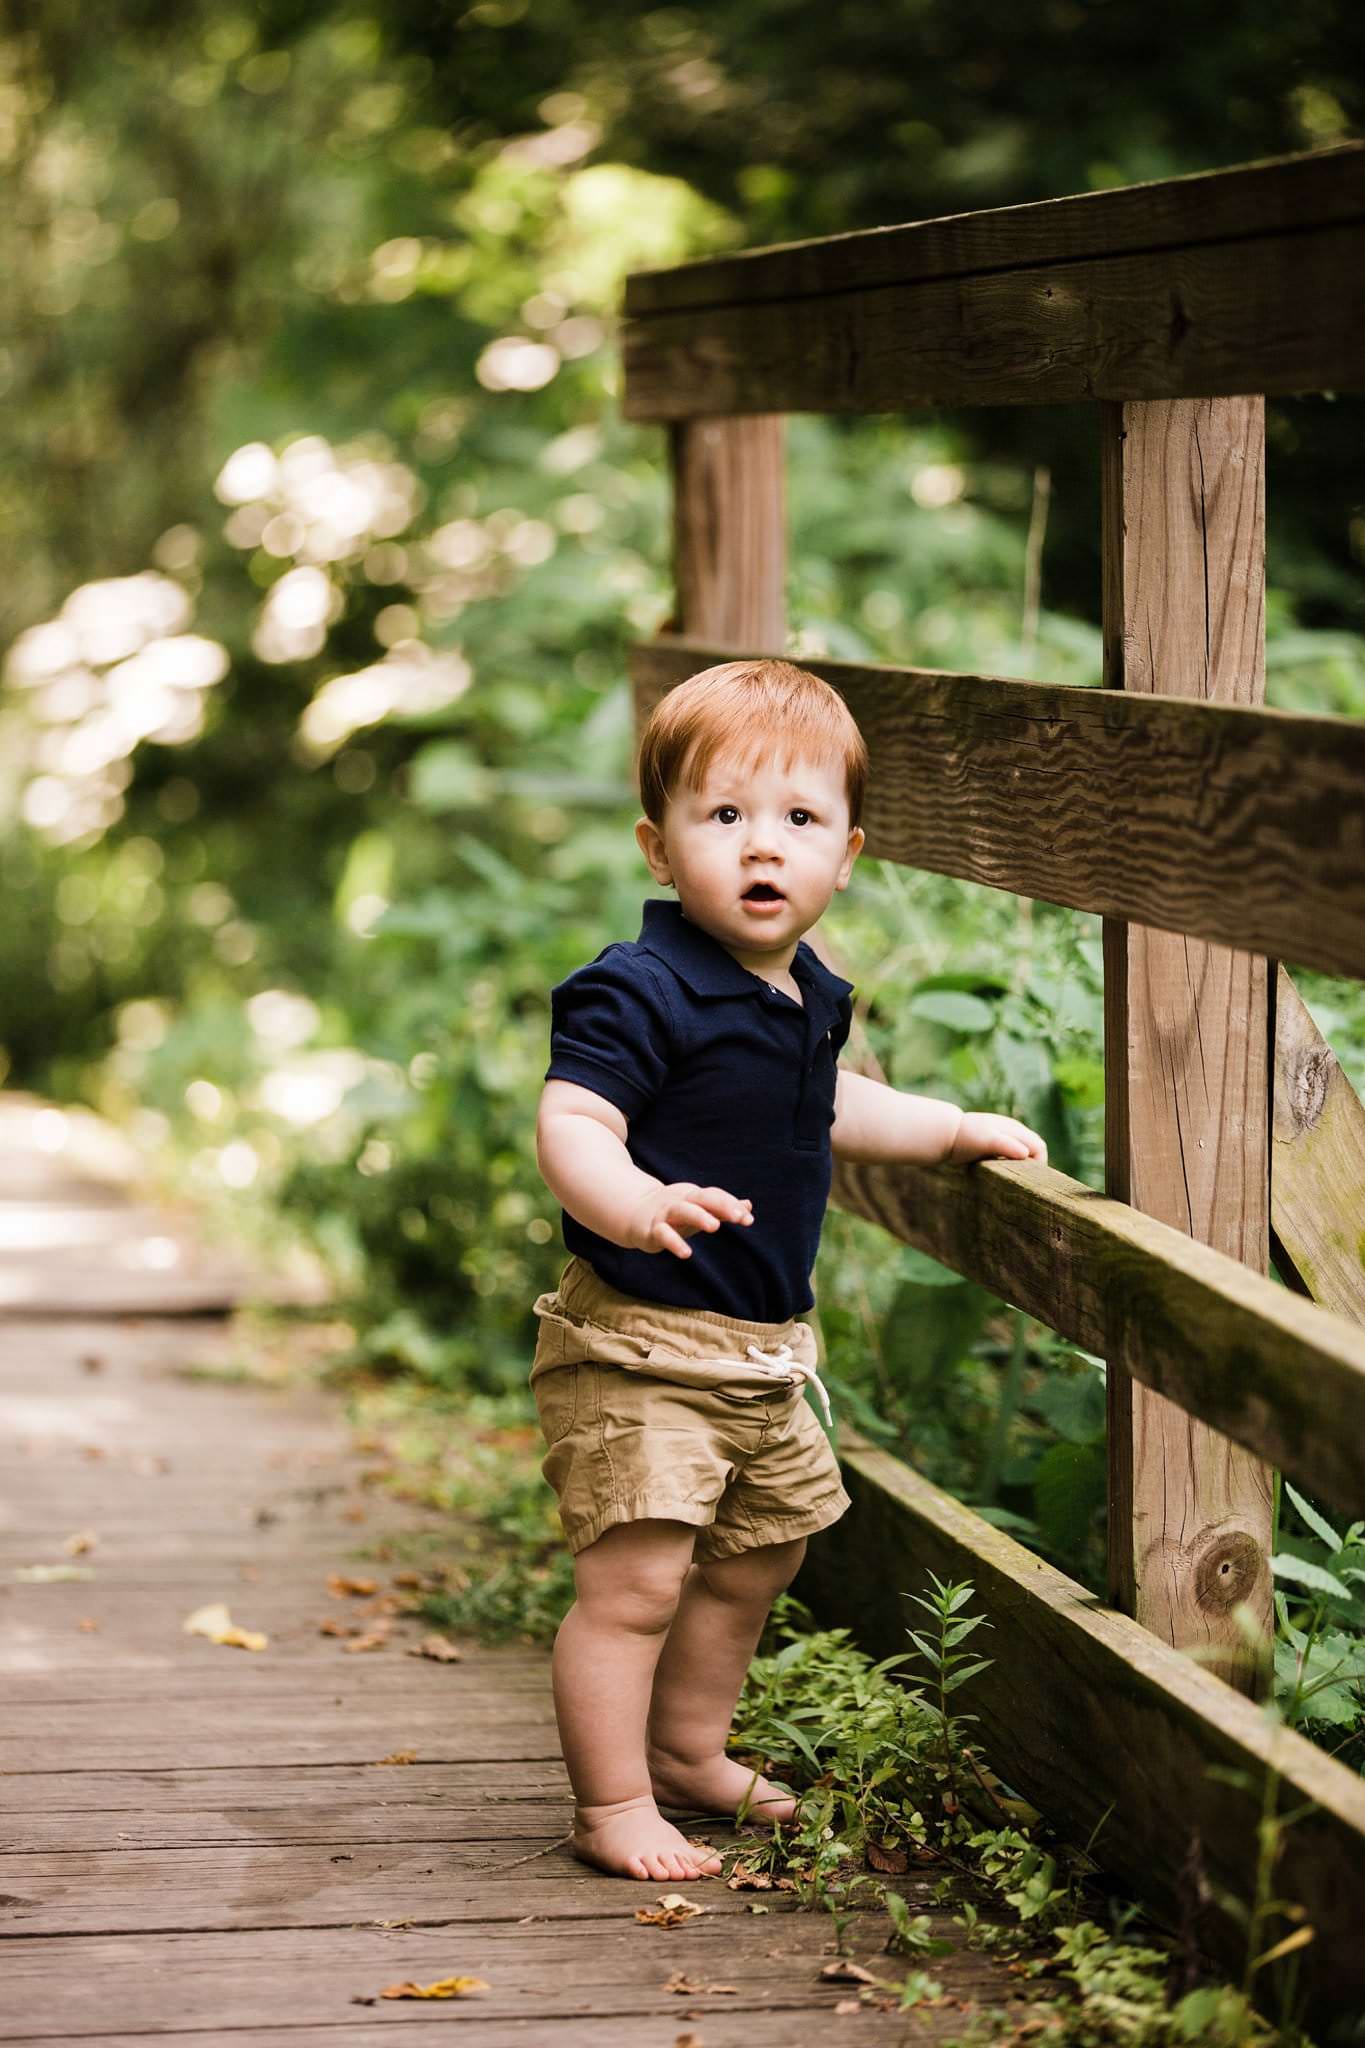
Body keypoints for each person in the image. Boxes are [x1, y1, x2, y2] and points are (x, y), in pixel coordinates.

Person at [532, 657, 1047, 1884]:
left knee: (763, 1554)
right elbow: (572, 1125)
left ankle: (689, 1748)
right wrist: (637, 1199)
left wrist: (950, 1128)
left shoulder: (808, 992)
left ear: (847, 852)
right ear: (660, 849)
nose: (764, 848)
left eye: (799, 819)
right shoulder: (639, 988)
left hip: (765, 1352)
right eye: (725, 816)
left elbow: (830, 1112)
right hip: (641, 1345)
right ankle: (612, 1803)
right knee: (637, 1583)